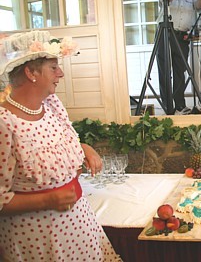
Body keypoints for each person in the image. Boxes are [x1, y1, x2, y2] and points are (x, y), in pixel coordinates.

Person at [0, 31, 121, 261]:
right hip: (38, 243)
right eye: (53, 68)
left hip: (80, 231)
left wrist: (84, 147)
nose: (61, 74)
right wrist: (48, 200)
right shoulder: (4, 123)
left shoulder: (52, 105)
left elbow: (57, 143)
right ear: (31, 72)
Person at [158, 0, 201, 115]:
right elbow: (164, 1)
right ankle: (167, 106)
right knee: (164, 69)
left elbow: (200, 5)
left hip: (182, 35)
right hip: (165, 32)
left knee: (180, 70)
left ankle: (180, 105)